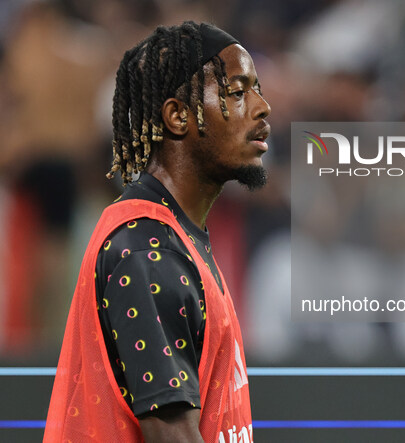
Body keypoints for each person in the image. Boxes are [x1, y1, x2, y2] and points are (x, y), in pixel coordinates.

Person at [44, 21, 271, 443]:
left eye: (256, 89)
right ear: (179, 116)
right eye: (238, 91)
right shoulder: (146, 249)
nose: (261, 107)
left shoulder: (172, 236)